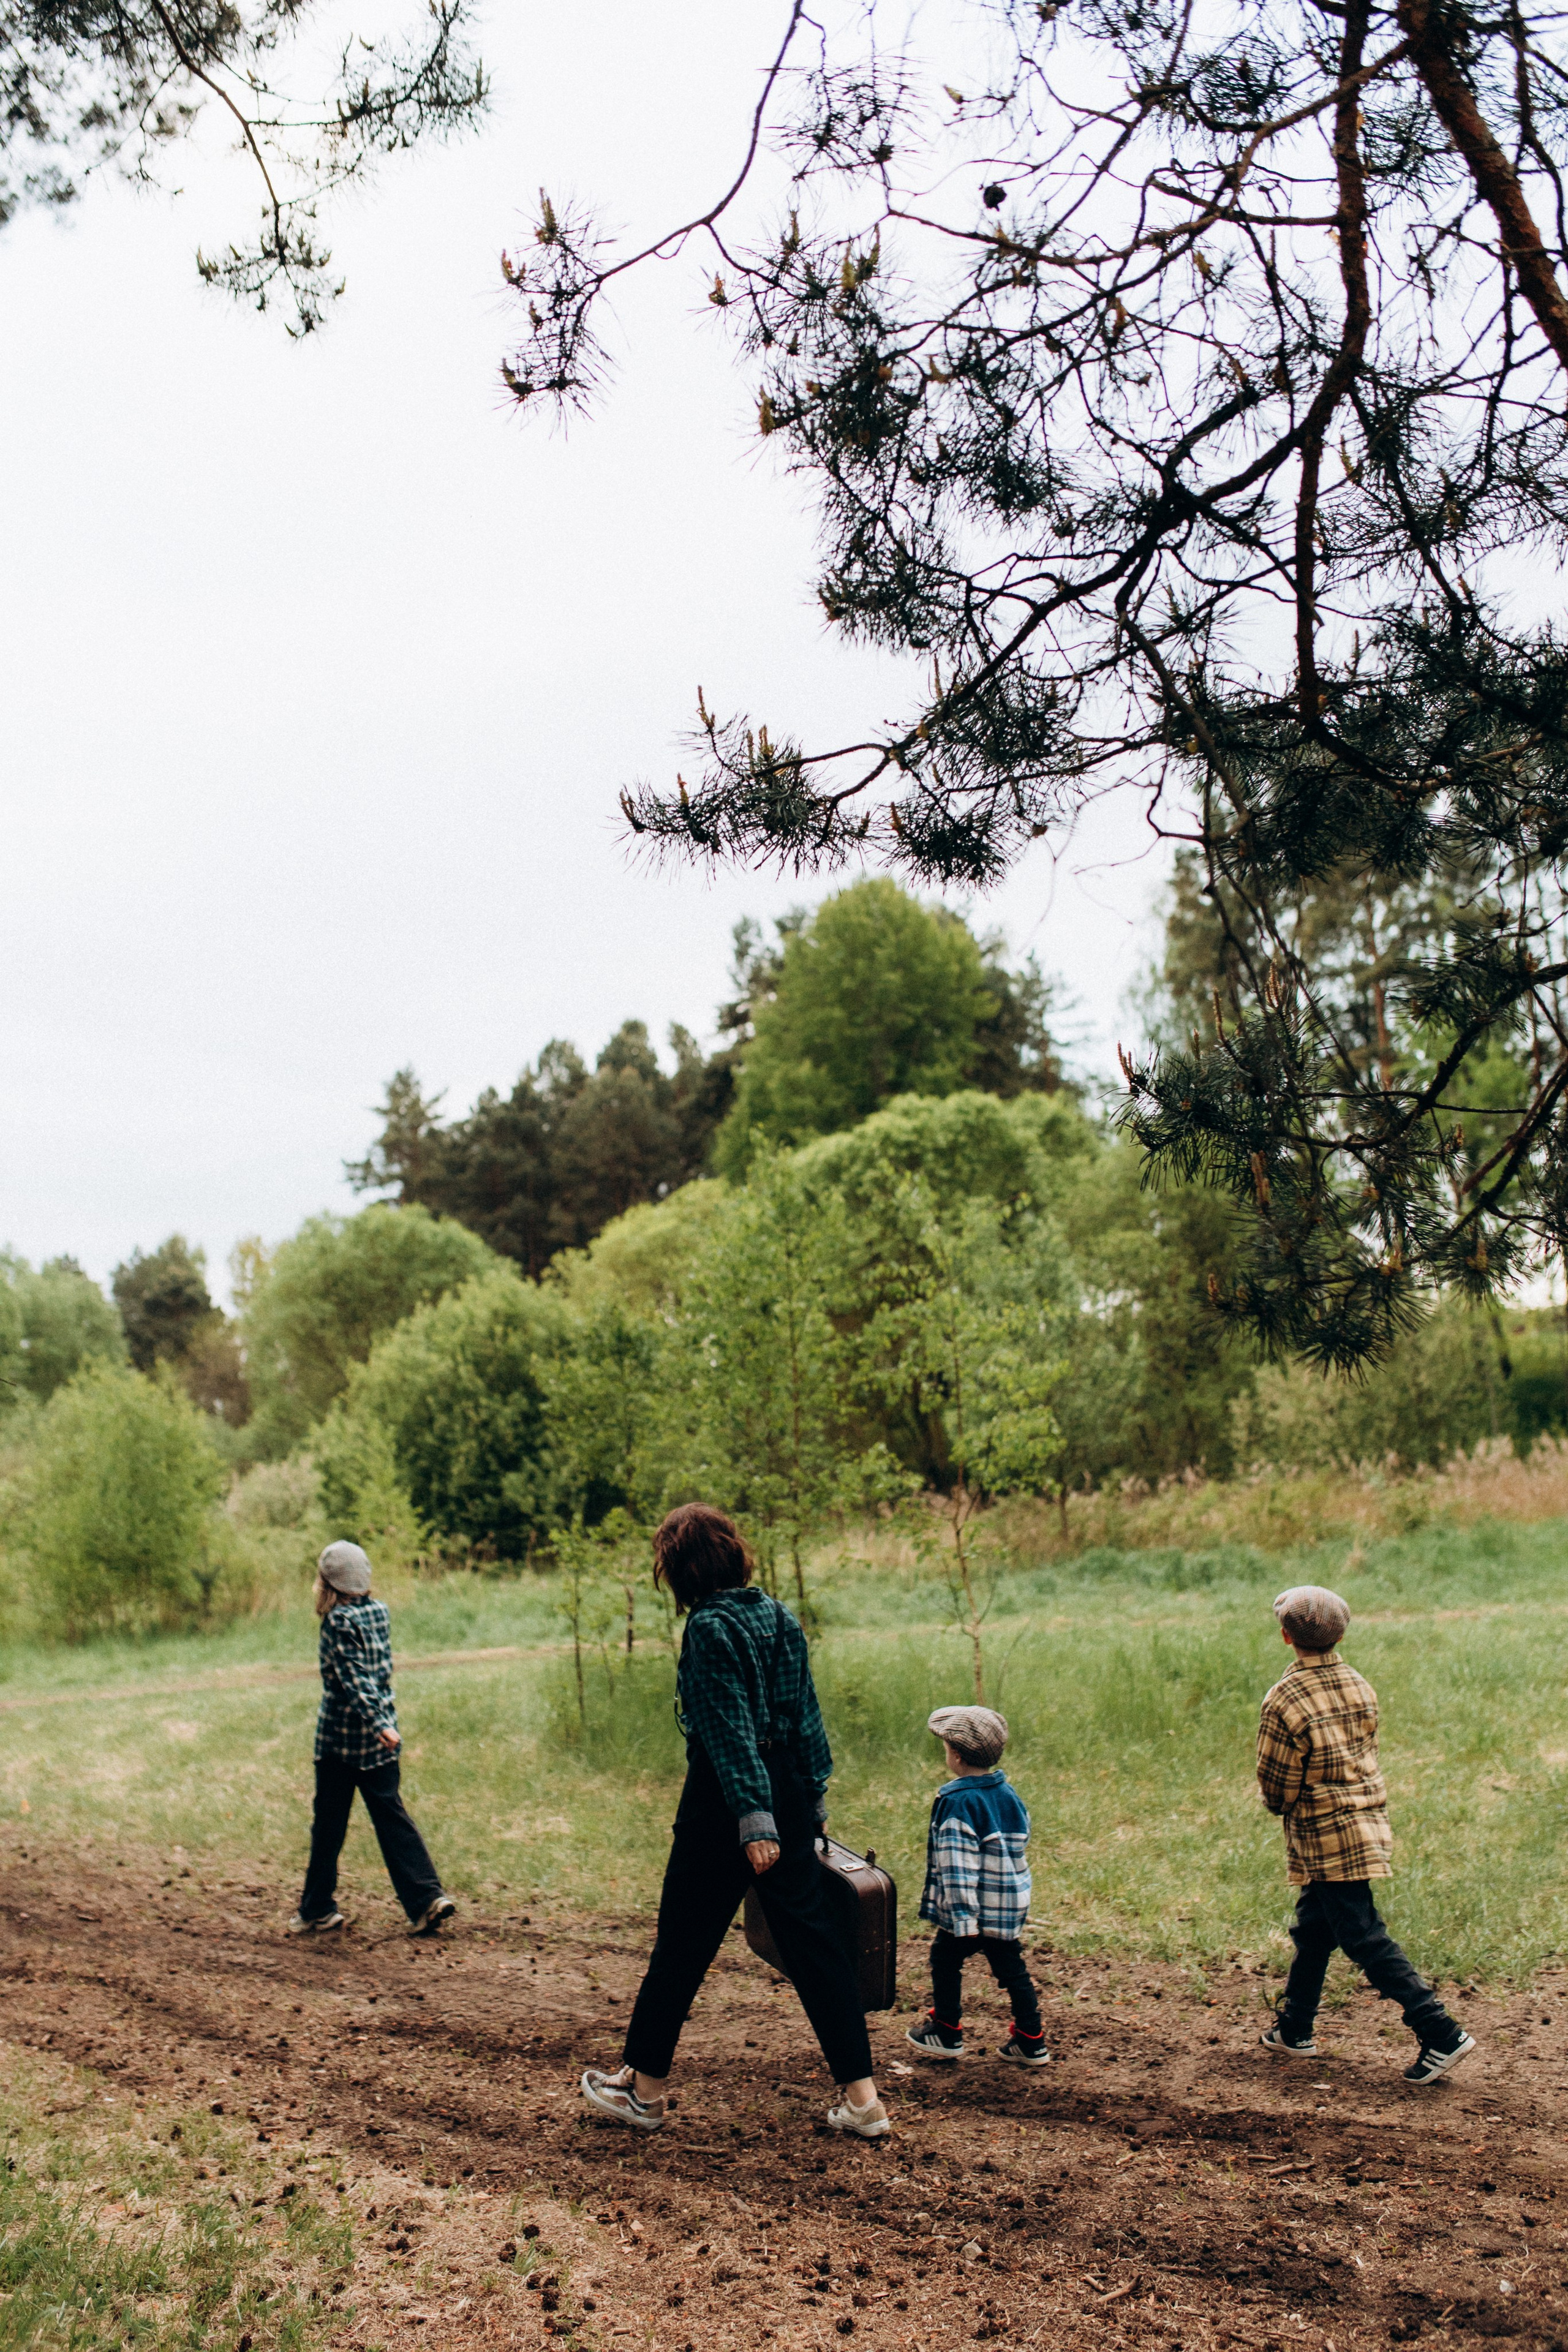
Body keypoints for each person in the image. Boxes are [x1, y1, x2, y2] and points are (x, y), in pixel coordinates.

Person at [580, 1504, 889, 2138]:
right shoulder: (776, 1614)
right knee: (814, 1942)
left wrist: (755, 1820)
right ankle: (864, 2100)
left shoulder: (709, 1629)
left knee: (683, 1944)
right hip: (789, 1792)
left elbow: (728, 1732)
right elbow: (808, 1719)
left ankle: (644, 2091)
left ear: (682, 1569)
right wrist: (808, 1800)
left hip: (725, 1803)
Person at [1257, 1583, 1475, 2084]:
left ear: (1287, 1637)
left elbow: (1277, 1785)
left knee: (1363, 1936)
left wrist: (1282, 1803)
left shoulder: (1283, 1698)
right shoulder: (1360, 1683)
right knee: (1315, 1929)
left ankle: (1440, 2031)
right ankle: (1295, 2028)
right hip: (1366, 1823)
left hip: (1324, 1835)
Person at [288, 1540, 456, 1940]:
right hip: (381, 1746)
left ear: (327, 1582)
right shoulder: (379, 1613)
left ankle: (317, 1909)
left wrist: (378, 1723)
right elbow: (374, 1674)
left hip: (341, 1745)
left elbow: (353, 1680)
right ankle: (427, 1899)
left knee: (329, 1826)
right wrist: (385, 1726)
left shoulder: (337, 1622)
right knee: (392, 1817)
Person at [905, 1705, 1049, 2067]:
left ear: (955, 1755)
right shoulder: (1007, 1793)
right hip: (1006, 1907)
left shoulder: (958, 1803)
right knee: (1012, 1970)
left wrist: (964, 1923)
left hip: (970, 1913)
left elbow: (958, 1869)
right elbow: (1019, 1843)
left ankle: (947, 2030)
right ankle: (1032, 2039)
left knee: (944, 1959)